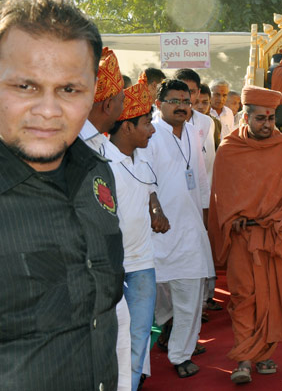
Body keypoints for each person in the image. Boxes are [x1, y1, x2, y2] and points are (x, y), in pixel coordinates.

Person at [0, 0, 123, 390]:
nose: (49, 111)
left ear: (93, 91)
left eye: (69, 89)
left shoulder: (97, 175)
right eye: (25, 86)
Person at [207, 86, 282, 384]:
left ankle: (263, 354)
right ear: (245, 117)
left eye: (271, 119)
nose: (267, 124)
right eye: (260, 119)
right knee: (243, 297)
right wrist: (232, 217)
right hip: (243, 239)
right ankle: (243, 359)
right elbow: (222, 195)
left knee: (274, 297)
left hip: (277, 237)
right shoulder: (229, 149)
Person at [146, 79, 213, 378]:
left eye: (186, 101)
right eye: (174, 101)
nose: (181, 106)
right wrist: (154, 209)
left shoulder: (194, 132)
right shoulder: (149, 134)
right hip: (156, 231)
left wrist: (205, 220)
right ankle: (157, 341)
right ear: (158, 104)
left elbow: (200, 179)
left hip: (190, 230)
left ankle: (180, 354)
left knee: (190, 297)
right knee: (154, 299)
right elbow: (143, 178)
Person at [108, 78, 171, 390]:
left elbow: (149, 188)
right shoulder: (102, 161)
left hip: (143, 265)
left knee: (139, 339)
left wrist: (156, 207)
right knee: (114, 343)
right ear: (127, 126)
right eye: (147, 123)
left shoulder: (141, 157)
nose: (152, 130)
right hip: (113, 268)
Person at [76, 46, 133, 391]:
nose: (125, 107)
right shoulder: (71, 144)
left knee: (119, 356)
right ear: (108, 105)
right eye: (122, 100)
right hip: (82, 279)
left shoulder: (101, 144)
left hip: (108, 276)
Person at [174, 69, 219, 312]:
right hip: (173, 200)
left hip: (201, 197)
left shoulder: (206, 123)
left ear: (198, 92)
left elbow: (208, 164)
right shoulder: (159, 123)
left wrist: (206, 202)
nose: (185, 98)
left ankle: (202, 300)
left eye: (190, 92)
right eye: (180, 92)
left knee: (202, 248)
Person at [196, 83, 222, 148]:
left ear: (210, 102)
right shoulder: (183, 123)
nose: (200, 106)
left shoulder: (215, 123)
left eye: (205, 102)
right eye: (196, 102)